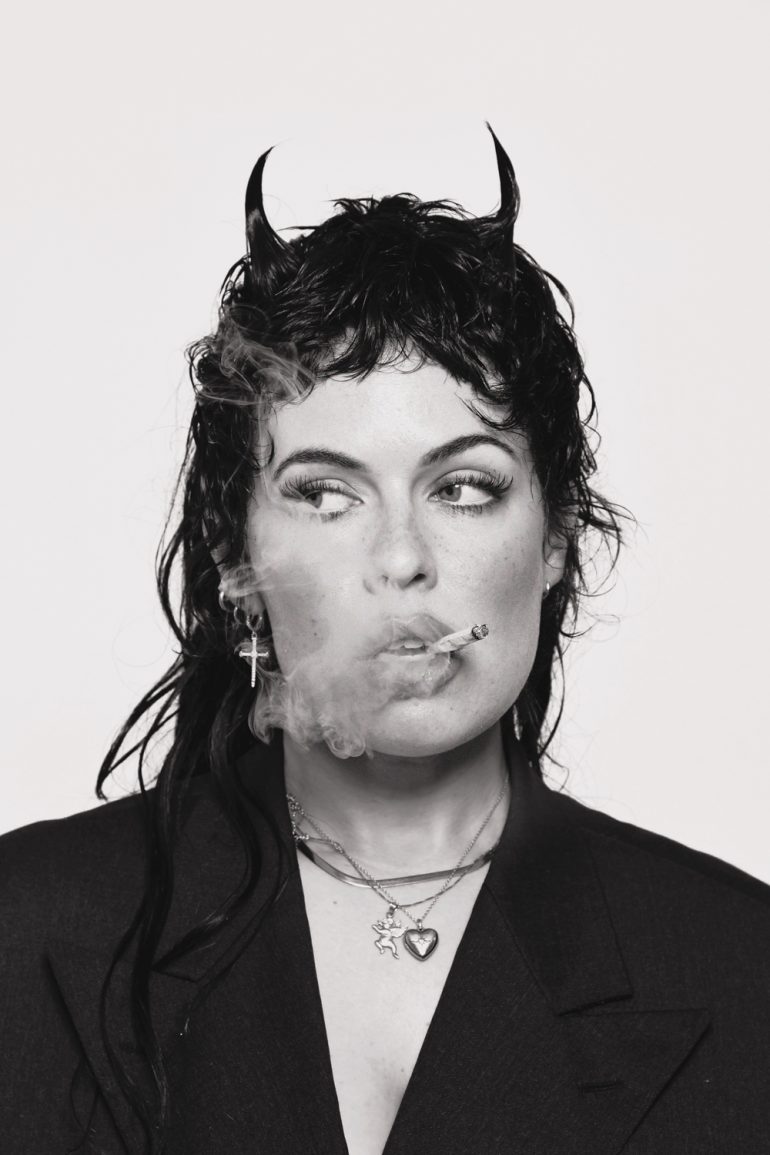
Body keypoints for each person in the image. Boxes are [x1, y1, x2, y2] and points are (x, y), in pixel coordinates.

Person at [1, 125, 769, 1155]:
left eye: (465, 486)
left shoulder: (739, 968)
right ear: (235, 552)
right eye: (326, 493)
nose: (400, 559)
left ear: (554, 535)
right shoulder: (26, 933)